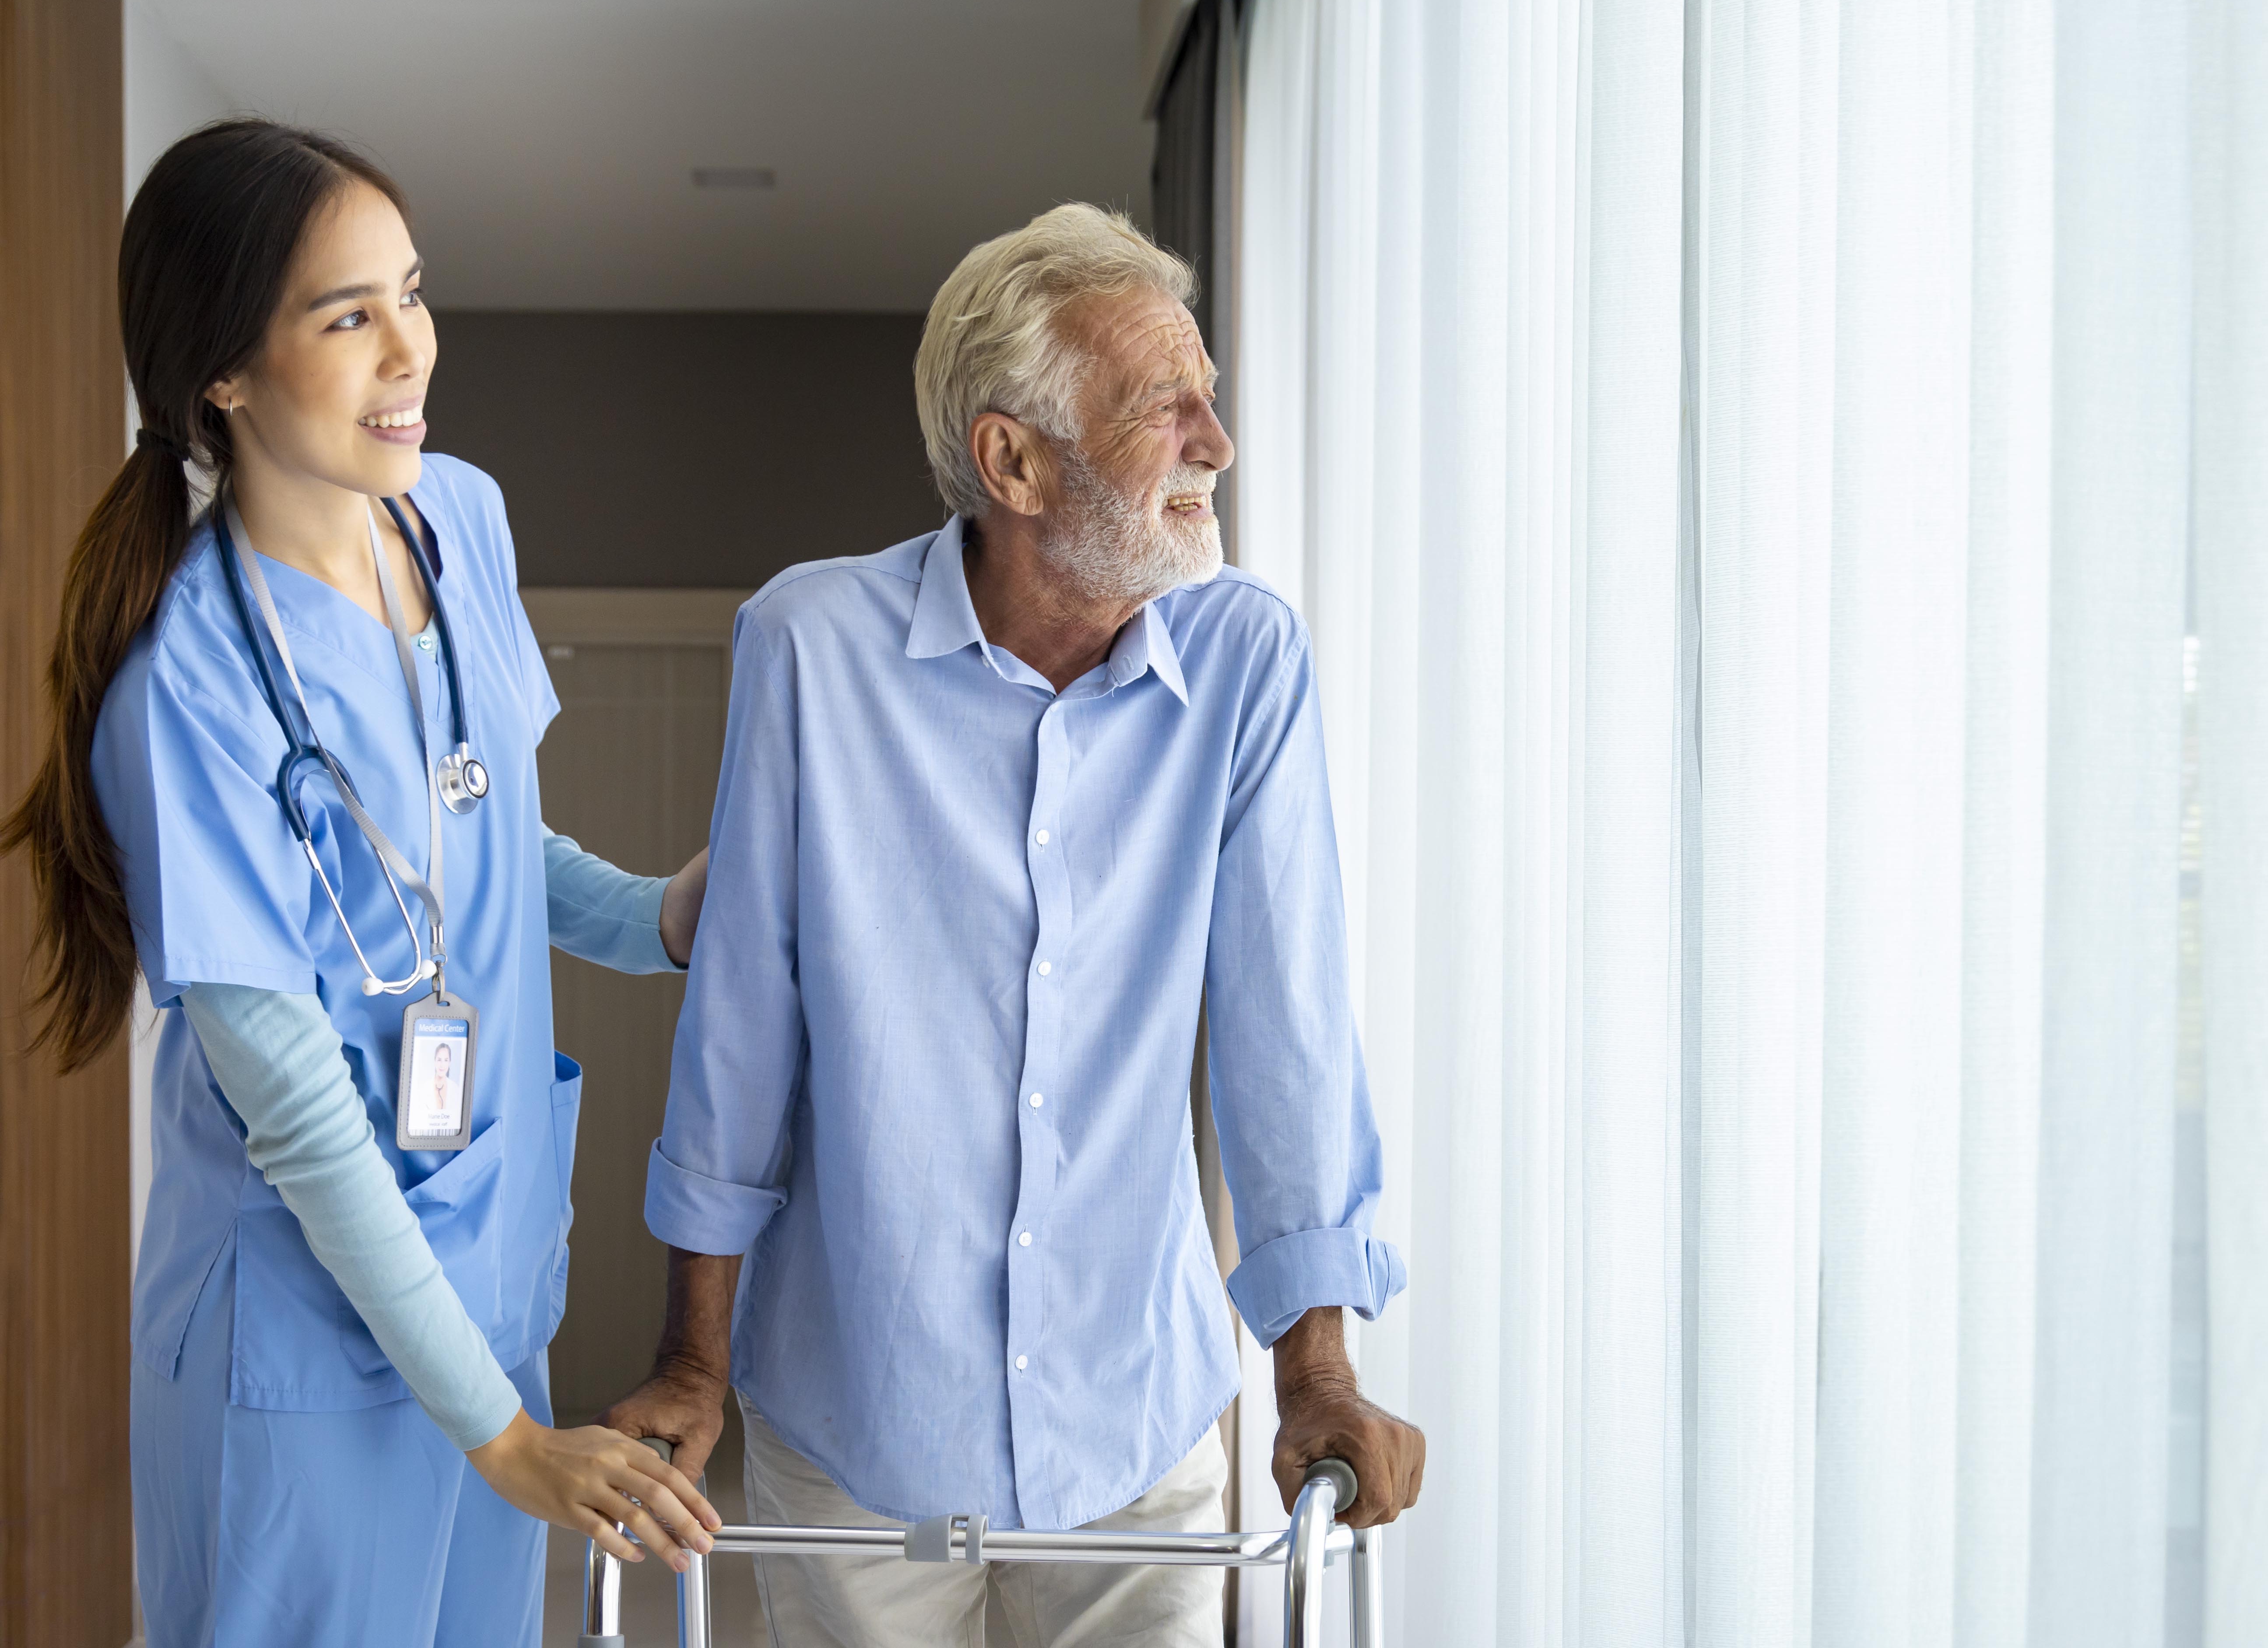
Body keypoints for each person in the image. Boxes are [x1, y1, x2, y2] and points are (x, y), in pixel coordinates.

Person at [601, 204, 1425, 1646]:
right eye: (1167, 410)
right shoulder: (809, 648)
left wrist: (1315, 1375)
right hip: (859, 1421)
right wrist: (692, 1361)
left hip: (1139, 1422)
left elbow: (1287, 1029)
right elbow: (743, 1026)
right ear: (1013, 461)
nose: (1215, 447)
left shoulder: (1247, 663)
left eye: (1209, 402)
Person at [0, 119, 724, 1648]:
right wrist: (507, 1441)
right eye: (348, 316)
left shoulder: (455, 518)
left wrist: (663, 918)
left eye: (414, 291)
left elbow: (478, 846)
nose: (412, 349)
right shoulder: (185, 688)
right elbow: (304, 1118)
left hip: (488, 1299)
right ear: (224, 371)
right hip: (307, 1359)